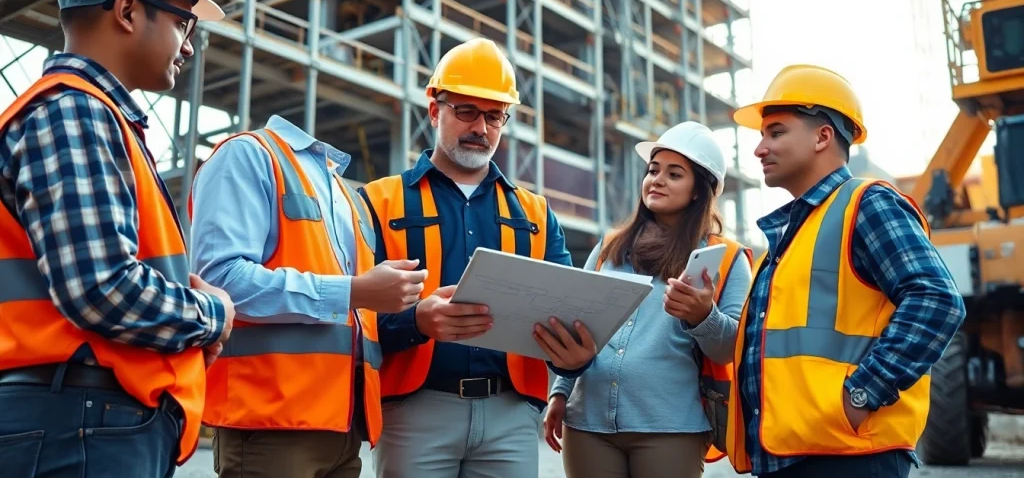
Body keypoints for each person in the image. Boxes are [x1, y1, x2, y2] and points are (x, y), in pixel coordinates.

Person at [0, 0, 235, 478]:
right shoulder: (74, 113)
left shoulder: (91, 115)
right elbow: (101, 287)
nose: (187, 44)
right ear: (127, 10)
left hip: (77, 416)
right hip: (79, 421)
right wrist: (211, 312)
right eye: (183, 21)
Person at [359, 37, 597, 478]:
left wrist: (574, 354)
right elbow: (353, 313)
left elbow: (569, 309)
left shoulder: (536, 213)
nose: (481, 128)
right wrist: (416, 323)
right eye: (466, 111)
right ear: (435, 110)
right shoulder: (378, 202)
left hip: (510, 416)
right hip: (414, 411)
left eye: (494, 116)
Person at [723, 64, 966, 478]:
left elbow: (937, 300)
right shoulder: (790, 238)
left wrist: (860, 396)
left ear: (823, 136)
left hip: (848, 455)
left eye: (776, 132)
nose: (759, 149)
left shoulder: (866, 204)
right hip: (793, 454)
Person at [188, 114, 429, 478]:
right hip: (270, 422)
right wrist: (355, 291)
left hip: (343, 425)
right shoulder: (248, 155)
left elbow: (355, 317)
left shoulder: (348, 195)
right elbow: (222, 282)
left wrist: (419, 312)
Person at [543, 121, 753, 478]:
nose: (656, 180)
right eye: (653, 170)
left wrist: (704, 316)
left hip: (670, 428)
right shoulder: (609, 248)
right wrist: (560, 392)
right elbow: (577, 324)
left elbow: (730, 349)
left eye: (674, 174)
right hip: (588, 422)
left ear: (699, 191)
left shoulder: (727, 260)